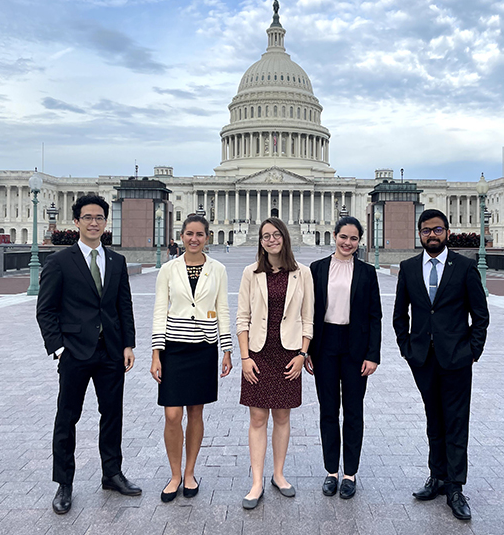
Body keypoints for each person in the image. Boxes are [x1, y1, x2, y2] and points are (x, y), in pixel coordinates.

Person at [37, 194, 141, 515]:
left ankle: (111, 473)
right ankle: (64, 483)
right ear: (77, 222)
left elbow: (124, 305)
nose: (94, 223)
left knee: (112, 415)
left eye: (99, 218)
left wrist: (127, 344)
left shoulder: (116, 261)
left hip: (110, 350)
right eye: (88, 217)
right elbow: (46, 310)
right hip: (75, 352)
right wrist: (58, 348)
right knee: (68, 418)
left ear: (105, 223)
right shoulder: (59, 262)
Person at [392, 209, 489, 521]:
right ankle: (436, 477)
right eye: (425, 231)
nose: (431, 235)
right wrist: (407, 348)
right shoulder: (408, 268)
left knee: (456, 421)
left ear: (447, 231)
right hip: (422, 358)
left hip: (457, 357)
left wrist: (472, 351)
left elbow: (480, 314)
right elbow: (399, 314)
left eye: (436, 230)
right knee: (434, 419)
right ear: (419, 234)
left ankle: (455, 486)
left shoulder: (465, 266)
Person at [150, 215, 232, 502]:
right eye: (189, 234)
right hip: (174, 348)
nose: (194, 238)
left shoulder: (218, 269)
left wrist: (227, 349)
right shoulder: (168, 269)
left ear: (207, 237)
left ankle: (189, 472)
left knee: (196, 412)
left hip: (203, 348)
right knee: (172, 414)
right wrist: (155, 352)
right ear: (181, 236)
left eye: (199, 234)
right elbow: (160, 309)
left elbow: (223, 309)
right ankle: (174, 474)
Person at [236, 217, 314, 509]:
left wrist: (302, 354)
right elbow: (242, 318)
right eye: (265, 236)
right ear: (260, 240)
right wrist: (244, 357)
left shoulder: (302, 273)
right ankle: (257, 481)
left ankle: (279, 475)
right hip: (257, 353)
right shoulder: (250, 273)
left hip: (287, 354)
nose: (270, 240)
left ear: (285, 237)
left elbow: (309, 318)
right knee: (257, 419)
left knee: (282, 417)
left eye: (275, 234)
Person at [307, 216, 381, 499]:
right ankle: (331, 471)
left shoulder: (366, 271)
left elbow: (375, 316)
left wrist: (372, 355)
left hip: (355, 346)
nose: (347, 243)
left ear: (359, 241)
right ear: (334, 236)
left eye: (353, 238)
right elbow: (310, 312)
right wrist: (308, 350)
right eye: (343, 237)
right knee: (327, 409)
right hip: (325, 344)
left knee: (353, 410)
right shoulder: (317, 269)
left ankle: (350, 472)